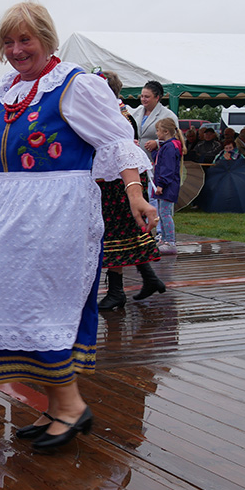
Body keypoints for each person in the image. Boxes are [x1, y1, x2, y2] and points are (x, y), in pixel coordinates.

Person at [0, 0, 156, 451]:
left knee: (45, 310)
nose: (17, 49)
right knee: (12, 309)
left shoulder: (76, 86)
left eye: (26, 40)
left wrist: (135, 191)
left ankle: (70, 406)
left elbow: (119, 141)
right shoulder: (3, 90)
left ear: (46, 38)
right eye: (9, 42)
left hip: (57, 216)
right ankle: (60, 405)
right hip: (7, 217)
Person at [96, 71, 164, 311]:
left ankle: (116, 291)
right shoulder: (120, 112)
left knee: (116, 234)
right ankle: (149, 277)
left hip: (120, 181)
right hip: (121, 179)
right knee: (128, 231)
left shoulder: (113, 116)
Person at [152, 117, 185, 255]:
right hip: (165, 185)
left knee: (165, 214)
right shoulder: (167, 146)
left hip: (167, 186)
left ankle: (170, 241)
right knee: (162, 213)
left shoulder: (170, 147)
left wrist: (161, 184)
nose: (156, 134)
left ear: (166, 132)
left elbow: (168, 168)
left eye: (158, 131)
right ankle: (164, 239)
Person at [131, 80, 178, 154]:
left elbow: (175, 138)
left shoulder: (169, 115)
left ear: (157, 98)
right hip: (137, 158)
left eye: (147, 97)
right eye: (142, 96)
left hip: (157, 160)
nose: (143, 99)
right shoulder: (136, 111)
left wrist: (157, 143)